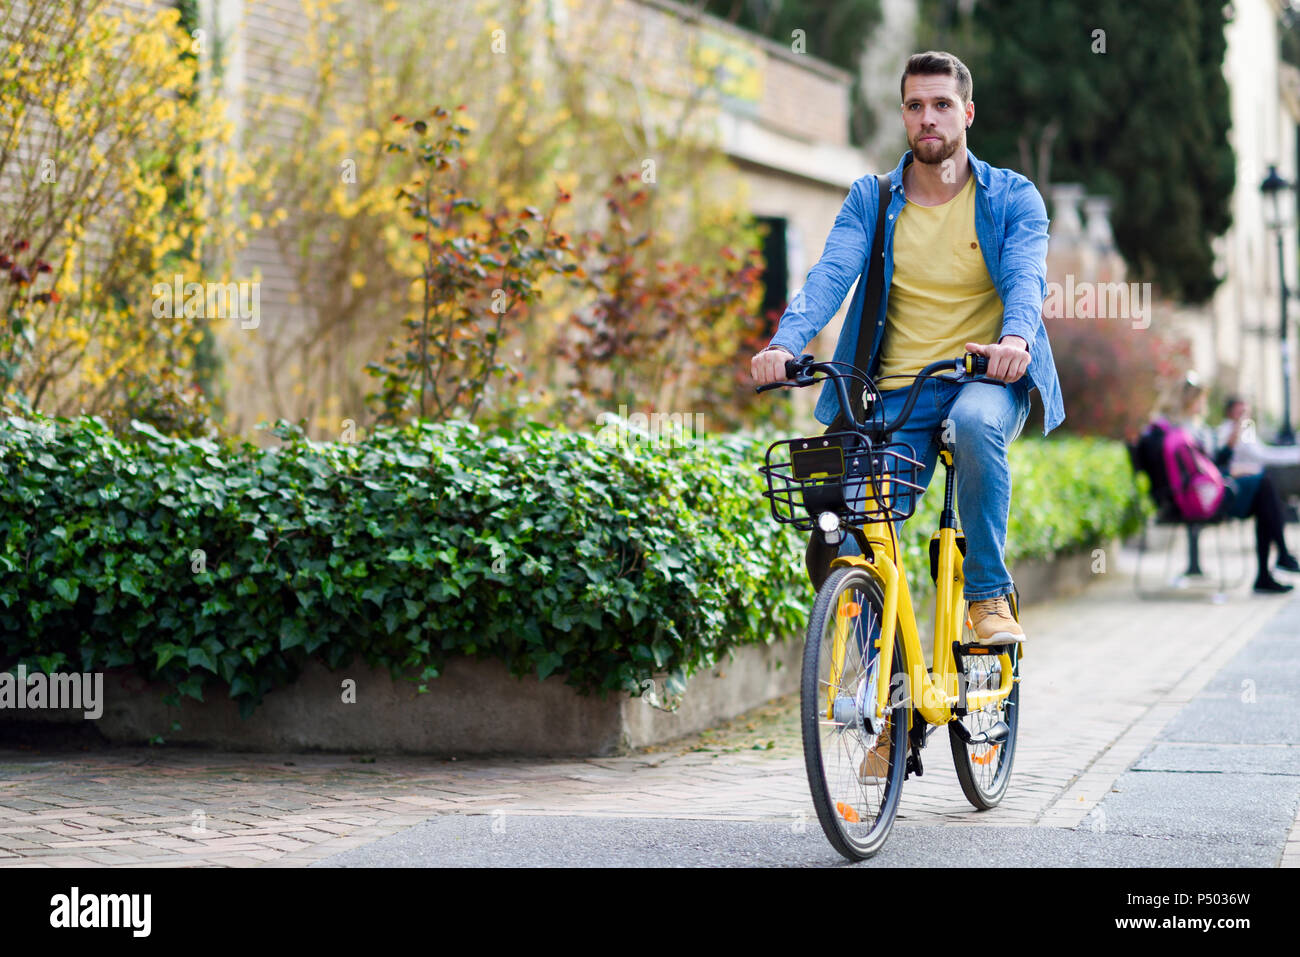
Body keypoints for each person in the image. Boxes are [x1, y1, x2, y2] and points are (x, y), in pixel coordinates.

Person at [750, 51, 1064, 649]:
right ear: (903, 116)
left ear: (967, 113)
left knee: (973, 423)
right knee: (849, 532)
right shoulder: (872, 199)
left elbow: (1027, 277)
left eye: (942, 105)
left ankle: (986, 597)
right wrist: (784, 343)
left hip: (984, 380)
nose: (929, 118)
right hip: (892, 395)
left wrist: (1015, 340)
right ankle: (882, 707)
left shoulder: (1011, 198)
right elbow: (830, 275)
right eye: (916, 106)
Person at [1174, 377, 1298, 593]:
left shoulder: (1197, 430)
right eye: (1201, 399)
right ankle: (1277, 561)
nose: (1204, 404)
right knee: (1264, 486)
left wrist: (1231, 464)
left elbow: (1208, 466)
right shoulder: (1188, 433)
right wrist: (1230, 469)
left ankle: (1270, 569)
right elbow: (1205, 470)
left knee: (1264, 493)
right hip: (1211, 497)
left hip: (1214, 490)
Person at [1215, 395, 1300, 502]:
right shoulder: (1228, 431)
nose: (1245, 415)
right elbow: (1262, 455)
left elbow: (1263, 452)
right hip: (1249, 475)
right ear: (1230, 412)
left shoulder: (1245, 429)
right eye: (1241, 412)